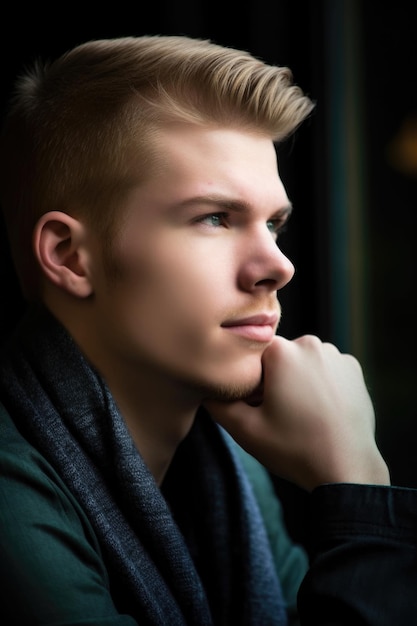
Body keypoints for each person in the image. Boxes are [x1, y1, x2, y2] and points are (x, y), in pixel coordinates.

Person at [0, 34, 415, 626]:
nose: (278, 264)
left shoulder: (229, 466)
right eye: (216, 218)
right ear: (69, 256)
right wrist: (358, 486)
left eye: (274, 224)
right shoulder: (12, 501)